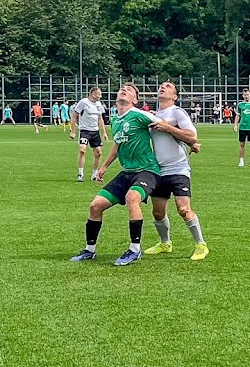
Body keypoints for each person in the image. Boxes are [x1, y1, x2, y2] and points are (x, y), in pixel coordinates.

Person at [71, 83, 176, 266]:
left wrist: (190, 141)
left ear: (135, 100)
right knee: (95, 206)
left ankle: (135, 250)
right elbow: (118, 145)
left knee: (132, 197)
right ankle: (90, 250)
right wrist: (104, 166)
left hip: (147, 170)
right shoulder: (116, 119)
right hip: (126, 172)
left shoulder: (139, 114)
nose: (123, 90)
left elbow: (165, 125)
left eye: (129, 90)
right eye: (121, 89)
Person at [143, 82, 209, 261]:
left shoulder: (177, 112)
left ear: (174, 96)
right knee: (157, 212)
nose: (162, 87)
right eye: (161, 86)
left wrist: (169, 128)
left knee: (183, 209)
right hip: (159, 170)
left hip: (178, 168)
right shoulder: (152, 116)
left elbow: (192, 135)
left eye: (168, 86)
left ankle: (201, 245)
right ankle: (165, 243)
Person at [70, 86, 108, 182]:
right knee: (82, 150)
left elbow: (100, 119)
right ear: (93, 94)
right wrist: (73, 131)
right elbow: (74, 116)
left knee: (98, 153)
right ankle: (80, 173)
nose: (100, 96)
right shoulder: (83, 102)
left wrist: (104, 132)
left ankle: (95, 174)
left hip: (95, 132)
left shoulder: (99, 104)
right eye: (99, 94)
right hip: (84, 130)